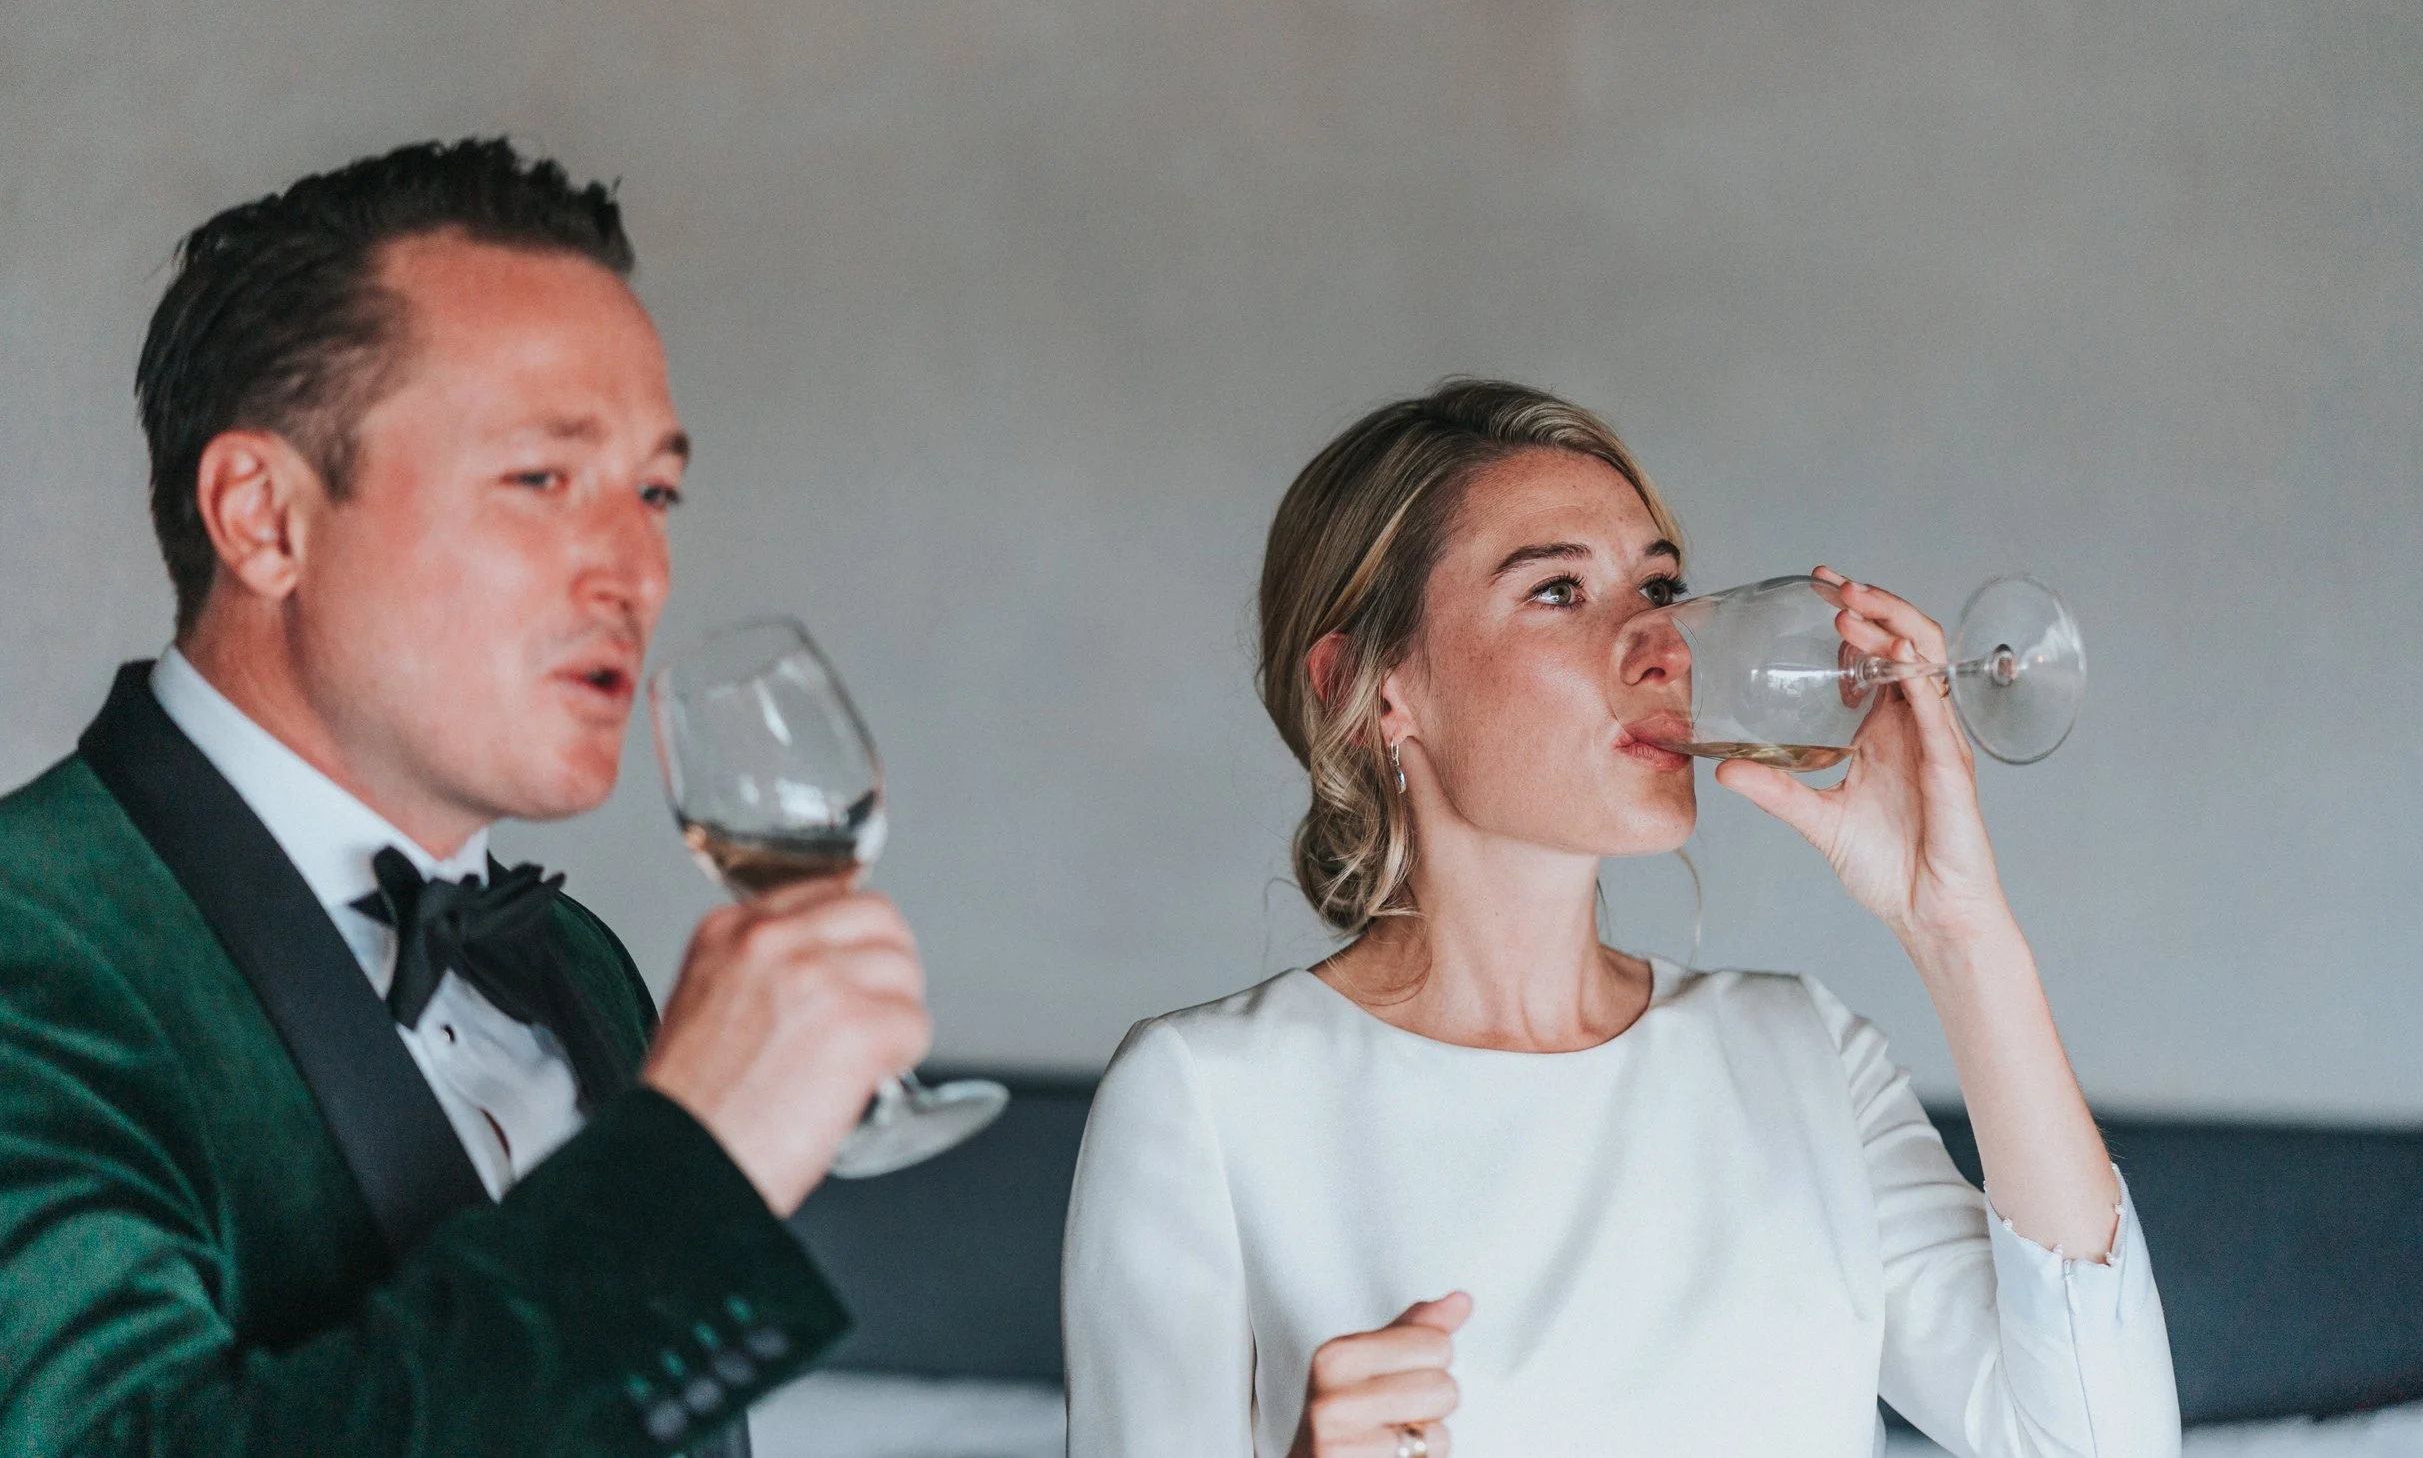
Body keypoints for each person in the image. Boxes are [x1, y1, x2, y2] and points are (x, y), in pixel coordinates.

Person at [0, 139, 932, 1456]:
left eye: (654, 490)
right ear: (263, 517)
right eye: (542, 479)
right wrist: (686, 1176)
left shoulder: (579, 961)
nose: (639, 570)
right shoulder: (30, 937)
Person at [1062, 380, 2181, 1457]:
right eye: (1558, 589)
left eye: (1657, 586)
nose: (1666, 647)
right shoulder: (1203, 1097)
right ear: (1371, 688)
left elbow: (2104, 1439)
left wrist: (1959, 928)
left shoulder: (1805, 1056)